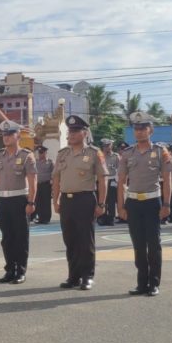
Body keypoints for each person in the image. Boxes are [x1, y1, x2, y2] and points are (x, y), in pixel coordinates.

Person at [117, 112, 172, 297]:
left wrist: (166, 204)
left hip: (152, 202)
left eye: (143, 128)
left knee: (154, 244)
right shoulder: (127, 153)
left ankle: (154, 283)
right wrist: (121, 206)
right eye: (137, 128)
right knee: (138, 244)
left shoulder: (160, 151)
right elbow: (121, 182)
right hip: (133, 202)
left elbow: (167, 179)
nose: (139, 132)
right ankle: (141, 283)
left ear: (151, 130)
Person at [53, 115, 108, 290]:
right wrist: (55, 200)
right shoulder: (62, 154)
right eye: (70, 131)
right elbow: (56, 179)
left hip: (85, 199)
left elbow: (102, 178)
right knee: (70, 240)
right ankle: (73, 276)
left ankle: (87, 276)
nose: (71, 134)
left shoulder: (93, 153)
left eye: (76, 131)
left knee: (86, 240)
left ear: (84, 133)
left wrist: (101, 203)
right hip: (66, 200)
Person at [0, 120, 37, 284]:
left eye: (10, 134)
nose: (6, 137)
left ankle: (20, 271)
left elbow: (32, 181)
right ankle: (10, 269)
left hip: (19, 200)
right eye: (4, 134)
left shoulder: (26, 156)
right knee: (7, 238)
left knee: (20, 237)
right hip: (3, 200)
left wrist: (31, 202)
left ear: (18, 136)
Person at [98, 139, 119, 226]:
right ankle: (102, 217)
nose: (107, 148)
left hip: (112, 179)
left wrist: (117, 181)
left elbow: (120, 168)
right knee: (102, 199)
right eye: (105, 146)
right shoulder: (99, 156)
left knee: (111, 200)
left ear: (111, 146)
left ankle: (111, 218)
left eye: (108, 146)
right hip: (102, 180)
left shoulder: (116, 156)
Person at [33, 145, 53, 224]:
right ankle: (40, 218)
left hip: (46, 184)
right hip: (38, 184)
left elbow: (54, 173)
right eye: (39, 153)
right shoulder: (35, 162)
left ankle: (46, 218)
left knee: (46, 202)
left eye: (42, 153)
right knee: (38, 202)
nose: (40, 154)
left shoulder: (50, 162)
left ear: (45, 153)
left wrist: (52, 183)